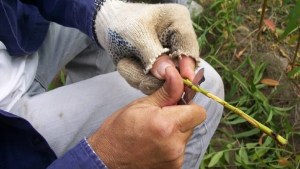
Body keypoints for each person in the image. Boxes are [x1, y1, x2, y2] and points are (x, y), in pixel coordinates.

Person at [0, 0, 224, 168]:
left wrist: (104, 15)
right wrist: (102, 157)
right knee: (205, 93)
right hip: (10, 145)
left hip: (16, 41)